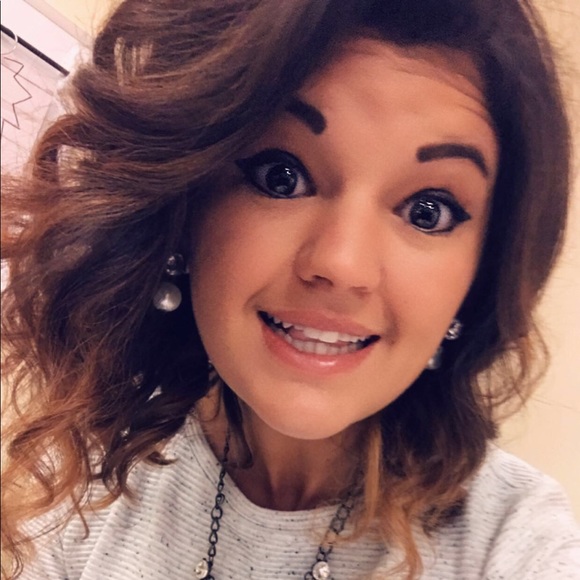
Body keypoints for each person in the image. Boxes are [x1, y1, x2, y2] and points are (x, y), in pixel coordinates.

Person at [2, 0, 579, 578]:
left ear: (482, 274)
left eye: (428, 211)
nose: (343, 265)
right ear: (185, 203)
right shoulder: (81, 478)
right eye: (282, 177)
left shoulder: (515, 543)